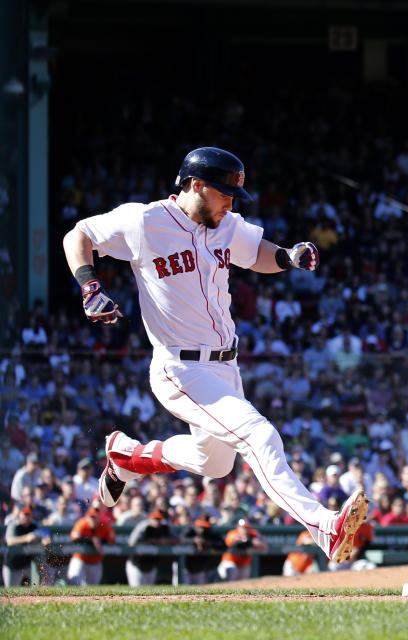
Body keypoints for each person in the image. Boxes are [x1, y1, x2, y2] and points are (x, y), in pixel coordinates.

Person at [62, 146, 368, 565]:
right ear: (196, 185)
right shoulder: (144, 221)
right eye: (223, 194)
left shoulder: (225, 224)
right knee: (260, 436)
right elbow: (77, 235)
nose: (229, 203)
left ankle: (127, 457)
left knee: (215, 463)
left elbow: (257, 251)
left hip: (225, 365)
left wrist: (287, 257)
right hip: (180, 367)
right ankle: (323, 527)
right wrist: (89, 287)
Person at [126, 509, 179, 586]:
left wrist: (166, 540)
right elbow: (131, 543)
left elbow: (178, 540)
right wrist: (151, 541)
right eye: (155, 519)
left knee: (149, 592)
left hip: (151, 565)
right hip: (136, 564)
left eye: (159, 519)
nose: (157, 521)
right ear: (150, 518)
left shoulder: (164, 527)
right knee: (136, 591)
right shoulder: (144, 526)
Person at [3, 505, 51, 587]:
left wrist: (44, 539)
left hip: (28, 565)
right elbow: (9, 541)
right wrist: (26, 538)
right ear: (19, 514)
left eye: (29, 514)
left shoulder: (34, 525)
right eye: (25, 514)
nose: (27, 517)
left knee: (45, 572)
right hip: (13, 565)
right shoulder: (14, 525)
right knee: (10, 592)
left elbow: (45, 534)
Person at [67, 505, 116, 586]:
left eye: (95, 517)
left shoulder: (104, 526)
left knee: (92, 588)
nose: (93, 519)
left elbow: (112, 540)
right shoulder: (82, 523)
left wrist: (99, 540)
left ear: (99, 517)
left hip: (95, 561)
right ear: (87, 517)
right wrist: (92, 540)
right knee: (73, 582)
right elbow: (74, 538)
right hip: (80, 558)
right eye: (91, 517)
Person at [179, 514, 226, 585]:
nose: (202, 530)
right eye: (200, 527)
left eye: (204, 527)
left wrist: (209, 543)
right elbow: (180, 539)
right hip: (185, 567)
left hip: (200, 568)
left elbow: (223, 545)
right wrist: (193, 540)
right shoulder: (190, 530)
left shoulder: (208, 532)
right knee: (183, 587)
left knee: (199, 588)